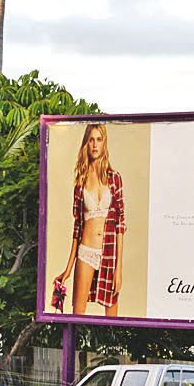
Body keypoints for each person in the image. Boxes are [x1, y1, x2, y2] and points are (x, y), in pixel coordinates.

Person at [51, 122, 125, 317]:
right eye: (91, 139)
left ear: (104, 143)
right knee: (78, 313)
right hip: (86, 252)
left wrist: (119, 269)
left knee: (113, 316)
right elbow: (77, 227)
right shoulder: (81, 182)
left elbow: (120, 224)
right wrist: (68, 268)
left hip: (109, 252)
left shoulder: (114, 178)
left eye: (99, 140)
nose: (94, 144)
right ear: (86, 143)